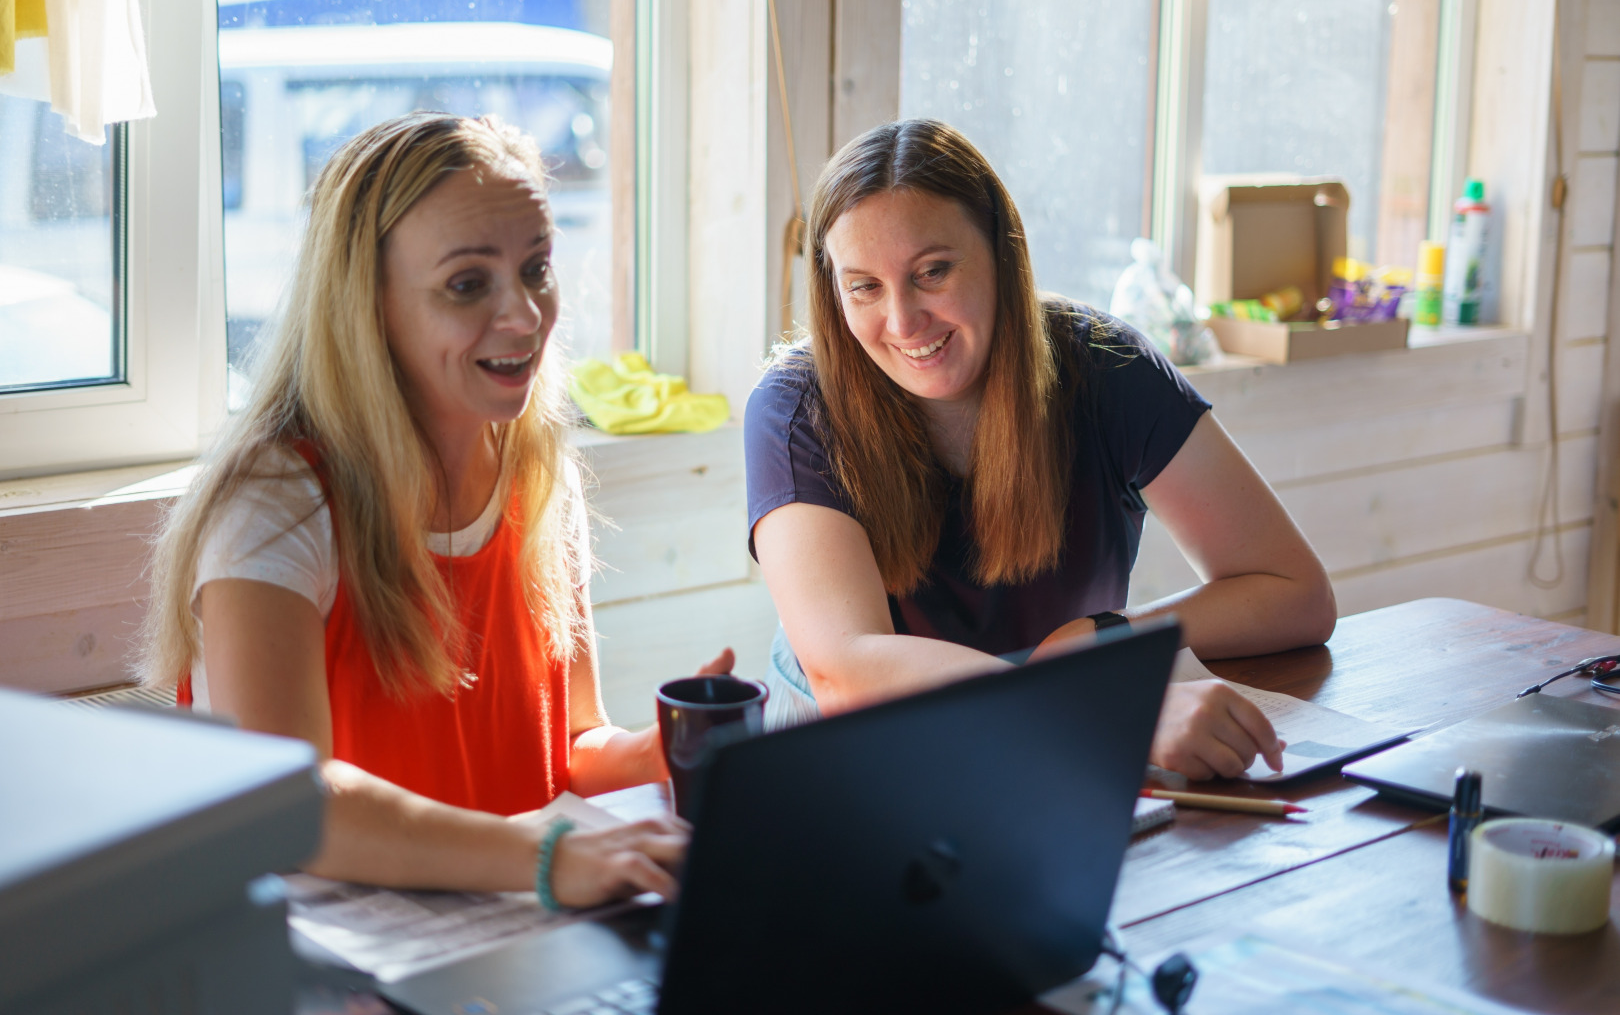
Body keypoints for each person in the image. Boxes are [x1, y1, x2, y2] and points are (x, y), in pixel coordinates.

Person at [141, 112, 722, 905]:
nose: (525, 316)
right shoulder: (272, 504)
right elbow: (289, 807)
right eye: (467, 283)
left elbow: (571, 745)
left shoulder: (534, 471)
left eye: (537, 268)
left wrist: (661, 750)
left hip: (502, 934)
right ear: (366, 305)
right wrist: (548, 857)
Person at [745, 119, 1337, 780]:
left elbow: (1298, 594)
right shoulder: (794, 407)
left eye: (933, 271)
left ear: (1001, 253)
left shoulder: (1110, 368)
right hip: (855, 761)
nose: (904, 321)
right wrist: (1111, 705)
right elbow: (846, 672)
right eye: (864, 287)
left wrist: (1111, 635)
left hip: (1050, 751)